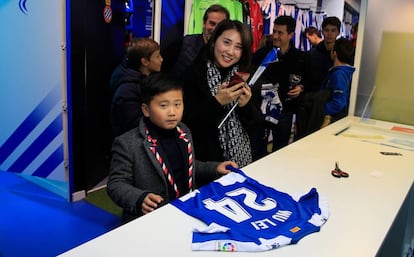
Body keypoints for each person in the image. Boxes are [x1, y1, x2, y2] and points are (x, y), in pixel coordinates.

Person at [107, 73, 238, 223]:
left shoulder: (184, 131)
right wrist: (139, 198)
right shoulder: (127, 143)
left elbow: (188, 166)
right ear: (146, 110)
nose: (172, 112)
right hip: (150, 220)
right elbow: (116, 184)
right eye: (163, 105)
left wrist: (215, 168)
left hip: (187, 210)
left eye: (177, 104)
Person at [182, 19, 264, 166]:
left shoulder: (246, 76)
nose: (230, 52)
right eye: (226, 42)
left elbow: (257, 126)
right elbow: (187, 125)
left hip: (242, 162)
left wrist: (245, 106)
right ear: (214, 41)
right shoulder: (193, 74)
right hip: (205, 163)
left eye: (238, 47)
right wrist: (216, 102)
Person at [251, 15, 306, 153]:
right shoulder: (261, 54)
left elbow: (307, 79)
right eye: (274, 31)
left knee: (280, 150)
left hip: (285, 111)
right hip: (261, 110)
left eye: (280, 32)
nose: (275, 36)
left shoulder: (300, 58)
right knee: (258, 149)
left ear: (291, 34)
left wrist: (301, 87)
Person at [110, 37, 163, 137]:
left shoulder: (144, 80)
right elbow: (134, 126)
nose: (161, 59)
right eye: (157, 56)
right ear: (145, 62)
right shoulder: (127, 91)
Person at [168, 4, 230, 81]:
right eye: (212, 23)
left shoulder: (228, 54)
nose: (215, 29)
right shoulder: (183, 43)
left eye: (220, 25)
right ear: (204, 23)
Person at [320, 37, 356, 128]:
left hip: (334, 120)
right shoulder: (345, 72)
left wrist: (320, 110)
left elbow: (339, 102)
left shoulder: (339, 74)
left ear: (335, 53)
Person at [304, 16, 341, 92]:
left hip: (333, 96)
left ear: (338, 32)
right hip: (313, 96)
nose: (329, 33)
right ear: (322, 32)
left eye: (333, 30)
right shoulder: (312, 54)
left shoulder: (342, 54)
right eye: (327, 30)